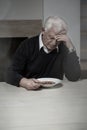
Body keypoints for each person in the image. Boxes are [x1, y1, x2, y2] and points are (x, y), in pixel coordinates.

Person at [5, 16, 81, 90]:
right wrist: (24, 82)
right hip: (30, 92)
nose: (54, 43)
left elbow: (74, 77)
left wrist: (70, 47)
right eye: (51, 38)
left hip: (55, 92)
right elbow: (10, 73)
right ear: (43, 30)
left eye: (58, 39)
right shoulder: (27, 45)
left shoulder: (63, 47)